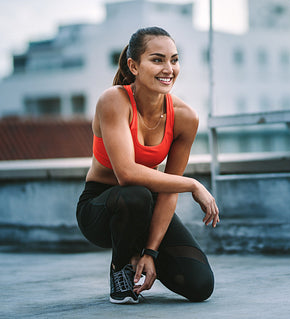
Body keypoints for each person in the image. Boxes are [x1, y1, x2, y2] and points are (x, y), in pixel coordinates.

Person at [76, 26, 220, 304]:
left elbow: (167, 191)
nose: (169, 69)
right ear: (134, 65)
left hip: (148, 205)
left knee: (200, 285)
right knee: (136, 194)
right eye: (157, 59)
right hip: (101, 209)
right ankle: (120, 269)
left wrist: (151, 252)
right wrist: (193, 184)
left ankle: (139, 254)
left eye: (174, 60)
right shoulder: (114, 101)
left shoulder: (184, 117)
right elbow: (127, 174)